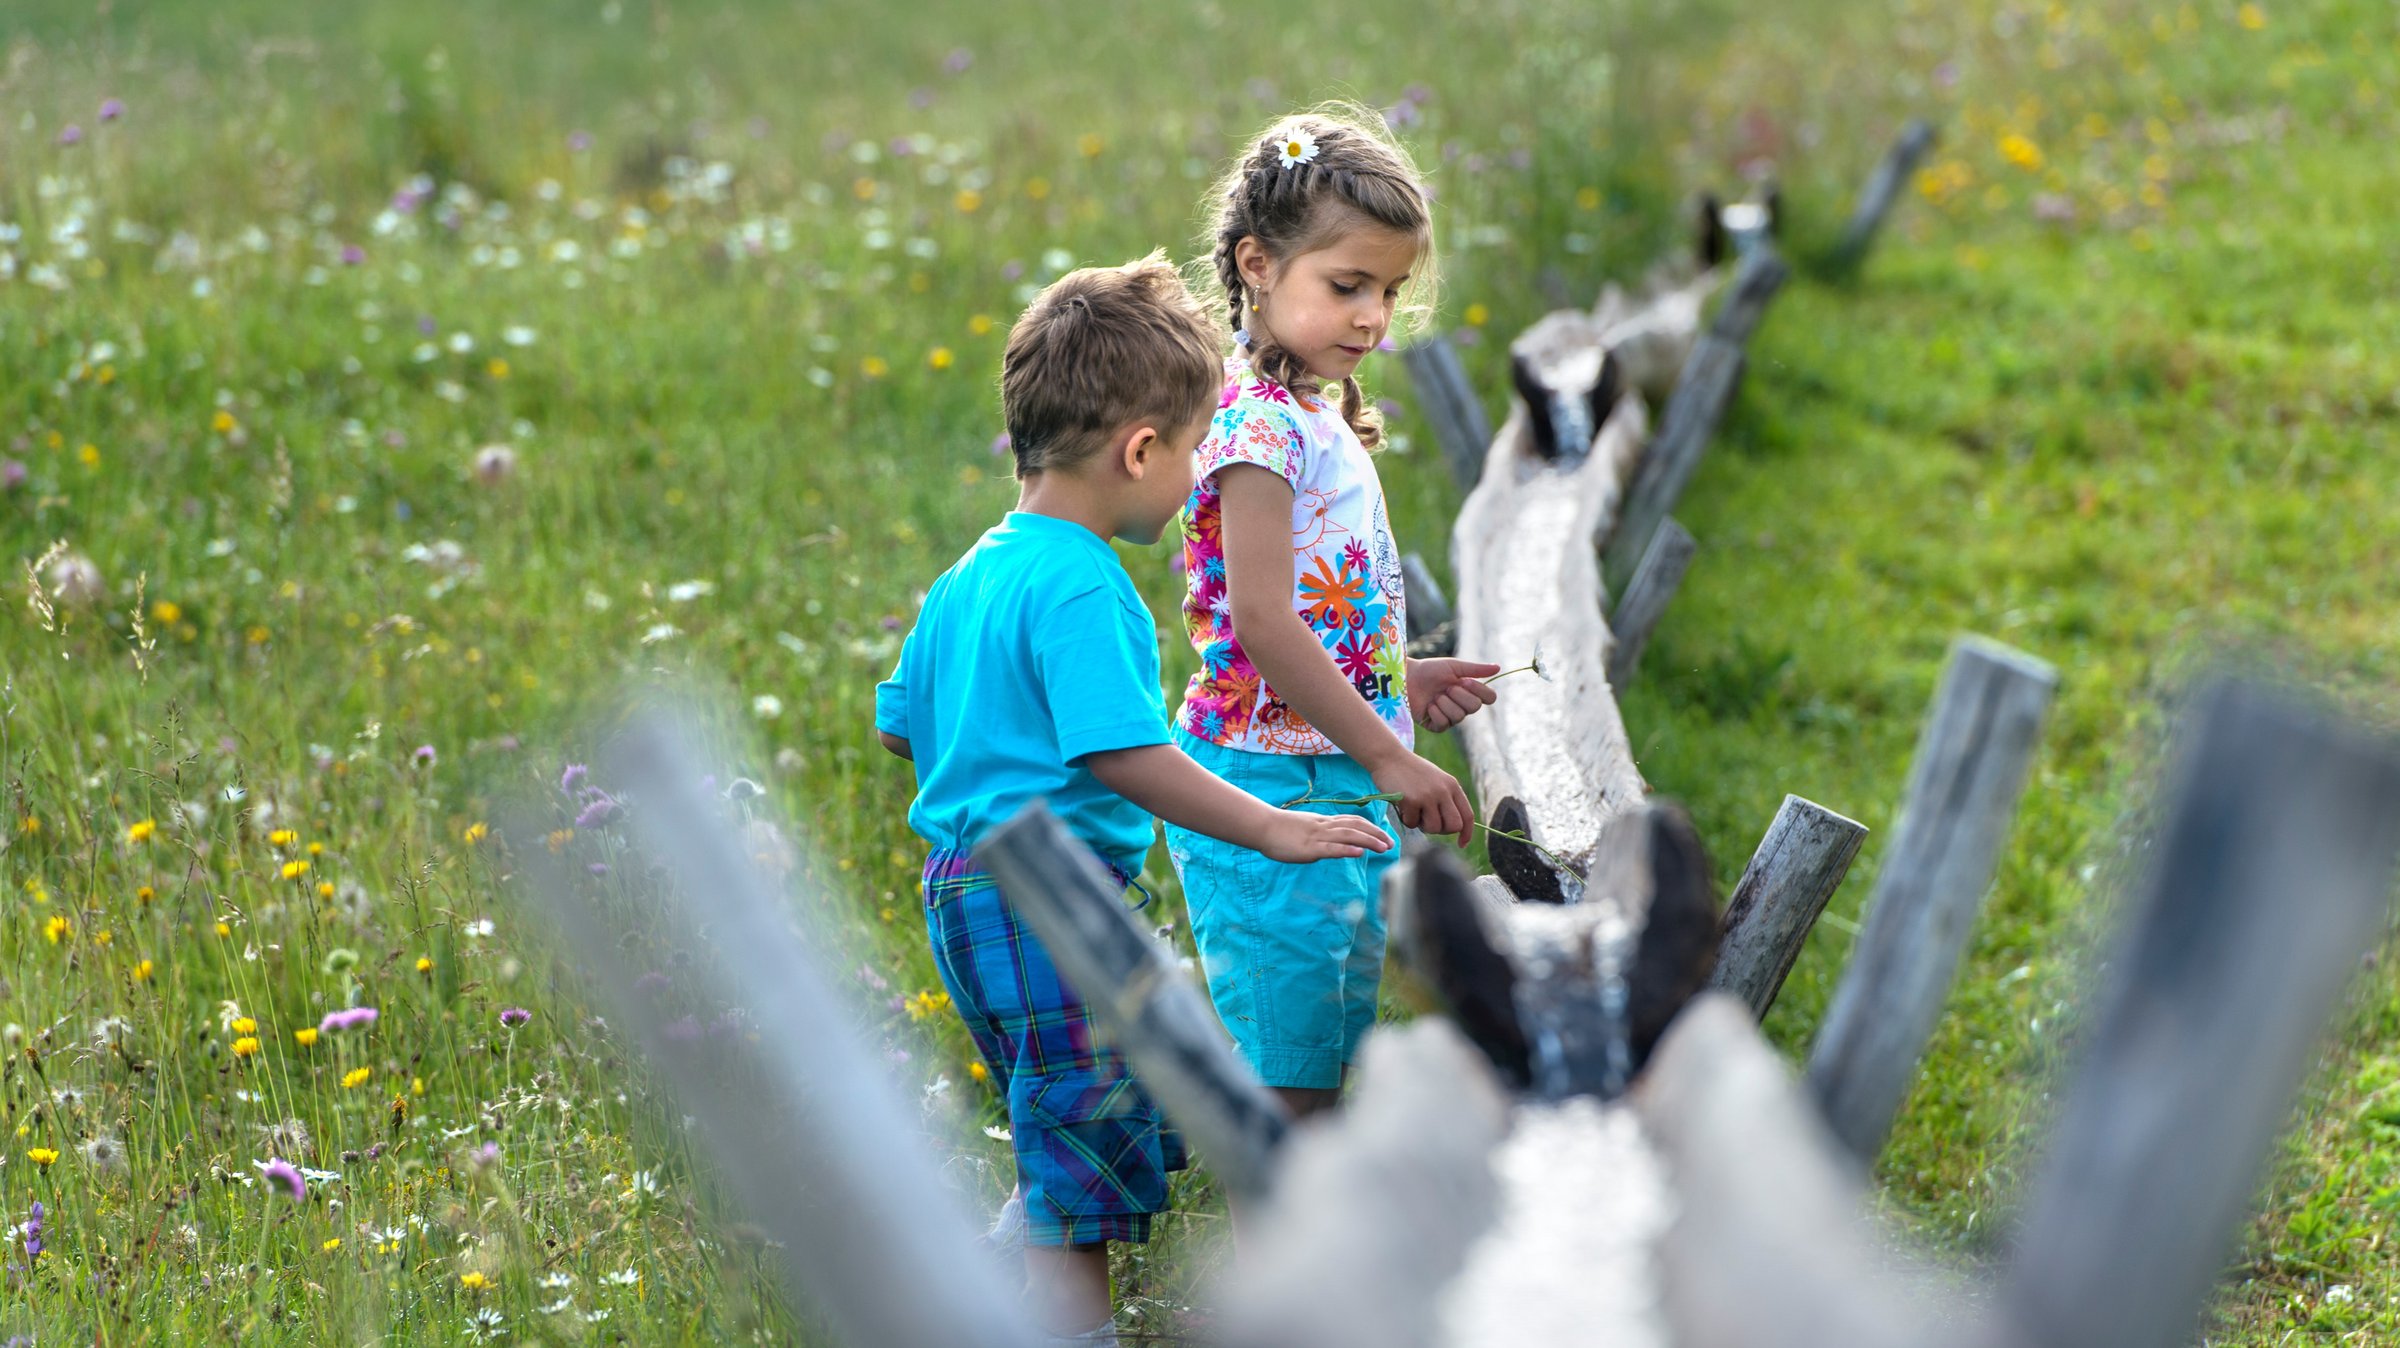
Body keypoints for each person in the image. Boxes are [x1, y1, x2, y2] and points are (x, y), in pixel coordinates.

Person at [873, 253, 1391, 1346]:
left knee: (1072, 1100)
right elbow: (1125, 754)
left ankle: (1001, 1266)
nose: (1201, 470)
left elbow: (898, 718)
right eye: (1196, 448)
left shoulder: (973, 572)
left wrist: (986, 755)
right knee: (1074, 1134)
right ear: (1141, 450)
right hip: (1049, 896)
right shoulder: (1082, 583)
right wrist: (1272, 824)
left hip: (962, 889)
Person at [1166, 107, 1499, 1124]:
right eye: (1346, 285)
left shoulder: (1312, 405)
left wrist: (1399, 676)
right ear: (1257, 265)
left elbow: (1318, 608)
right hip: (1273, 777)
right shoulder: (1254, 423)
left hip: (1325, 754)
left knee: (1328, 1026)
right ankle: (1288, 1258)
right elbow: (1263, 621)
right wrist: (1391, 754)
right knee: (1296, 1063)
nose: (1373, 318)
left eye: (1389, 292)